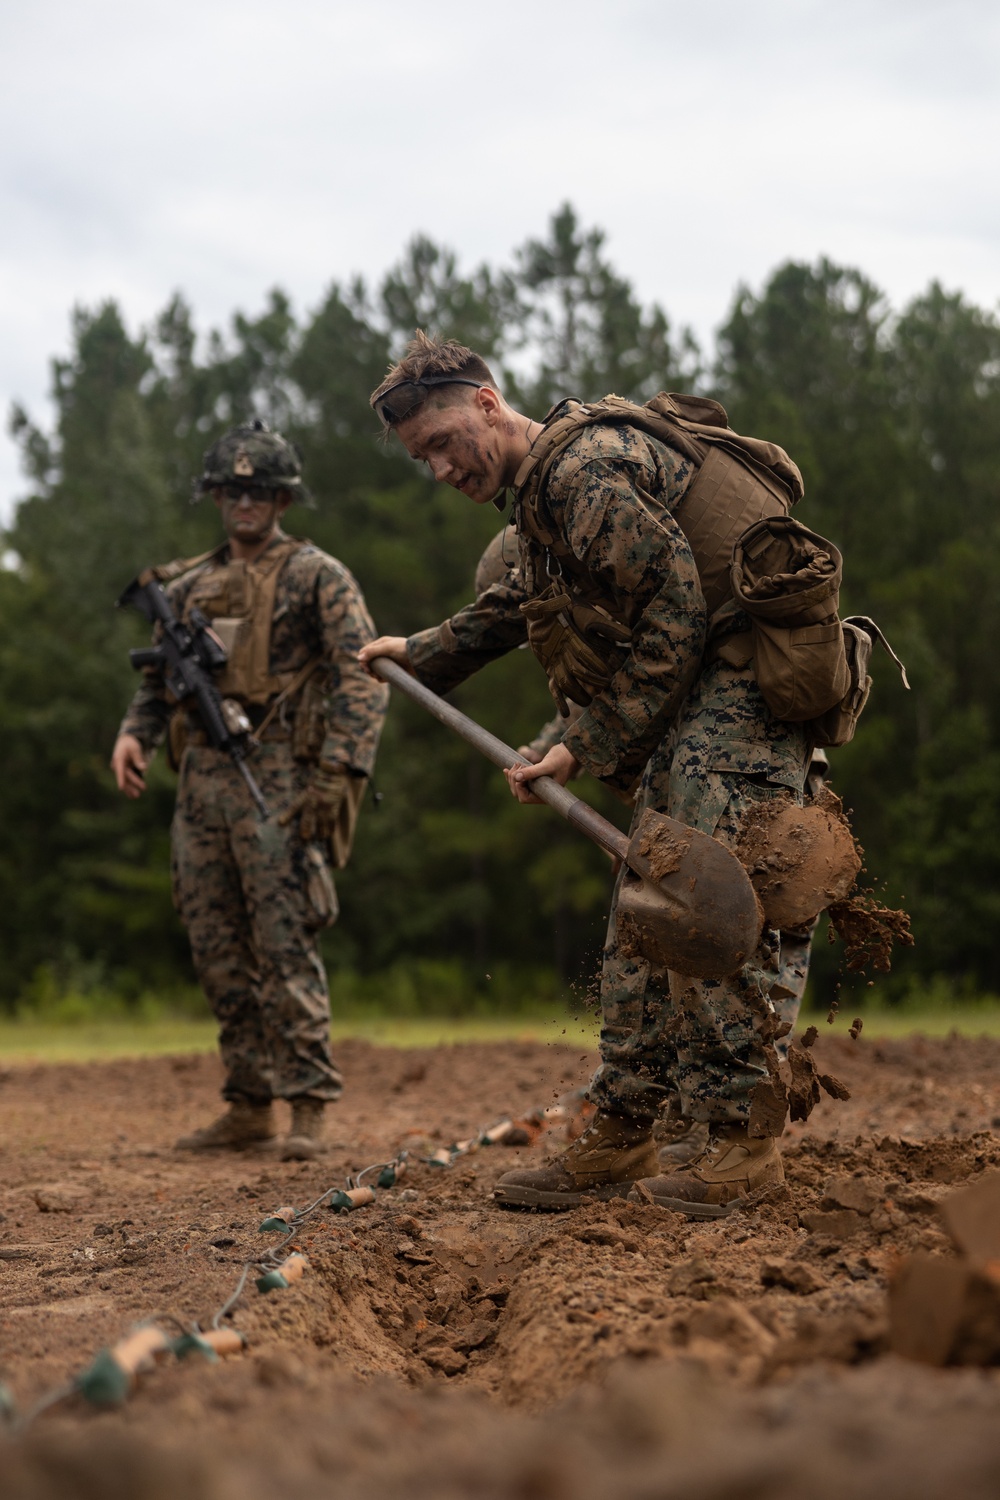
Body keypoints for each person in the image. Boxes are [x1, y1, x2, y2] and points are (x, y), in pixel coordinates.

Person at [360, 332, 815, 1217]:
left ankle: (741, 1138)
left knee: (700, 897)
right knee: (642, 903)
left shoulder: (581, 475)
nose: (442, 471)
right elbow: (513, 607)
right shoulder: (540, 501)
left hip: (738, 692)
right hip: (688, 700)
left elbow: (678, 612)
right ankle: (626, 1124)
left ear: (487, 404)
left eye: (445, 443)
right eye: (423, 460)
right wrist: (416, 653)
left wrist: (588, 740)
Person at [111, 420, 388, 1159]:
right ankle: (248, 1101)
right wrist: (133, 733)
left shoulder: (317, 576)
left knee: (284, 938)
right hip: (200, 783)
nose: (245, 503)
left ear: (283, 499)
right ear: (214, 495)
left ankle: (308, 1103)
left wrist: (339, 772)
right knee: (216, 945)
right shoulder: (188, 586)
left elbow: (364, 679)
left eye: (260, 490)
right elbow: (159, 682)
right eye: (233, 490)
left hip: (280, 778)